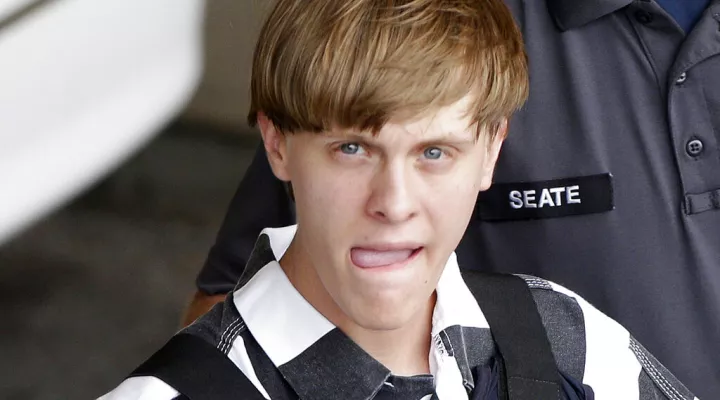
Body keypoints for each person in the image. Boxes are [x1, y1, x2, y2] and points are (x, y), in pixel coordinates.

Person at [103, 0, 699, 398]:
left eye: (434, 153)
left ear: (492, 151)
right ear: (276, 144)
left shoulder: (572, 341)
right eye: (353, 149)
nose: (393, 202)